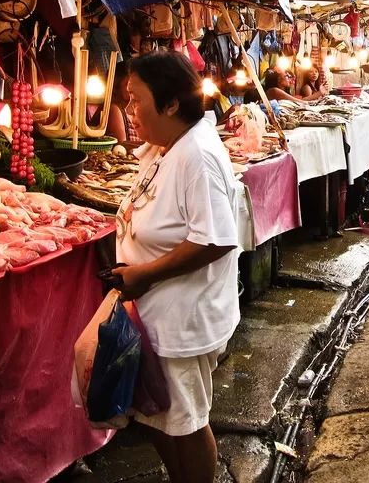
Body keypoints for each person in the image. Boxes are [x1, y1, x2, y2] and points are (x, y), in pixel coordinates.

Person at [111, 52, 242, 483]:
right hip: (157, 316)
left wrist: (144, 274)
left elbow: (217, 239)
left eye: (135, 100)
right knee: (160, 418)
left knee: (186, 422)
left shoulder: (197, 156)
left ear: (169, 104)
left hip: (184, 318)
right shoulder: (167, 146)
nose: (130, 111)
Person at [106, 60, 141, 144]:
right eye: (128, 84)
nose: (133, 88)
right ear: (115, 86)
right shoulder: (114, 109)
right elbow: (122, 146)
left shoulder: (135, 109)